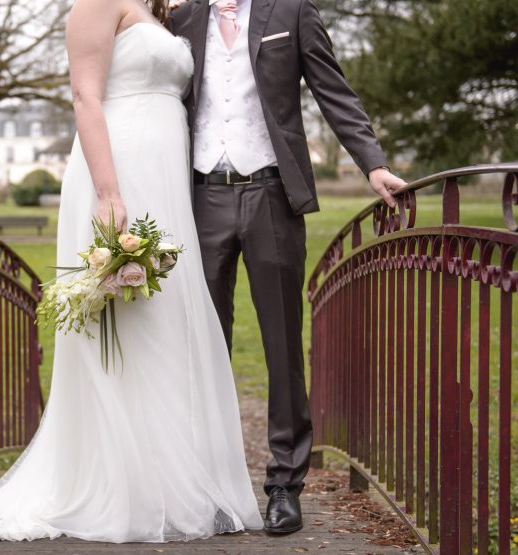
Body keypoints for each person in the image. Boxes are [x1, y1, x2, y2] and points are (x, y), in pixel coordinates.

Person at [0, 0, 264, 542]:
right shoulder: (96, 2)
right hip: (120, 171)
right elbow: (85, 95)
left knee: (166, 327)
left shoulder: (159, 10)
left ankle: (177, 480)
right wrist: (110, 192)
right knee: (125, 327)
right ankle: (128, 489)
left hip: (167, 177)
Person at [166, 0, 407, 534]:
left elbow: (333, 91)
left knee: (281, 345)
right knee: (202, 346)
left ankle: (284, 483)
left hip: (272, 193)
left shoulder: (293, 12)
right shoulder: (181, 20)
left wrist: (374, 164)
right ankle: (205, 482)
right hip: (199, 198)